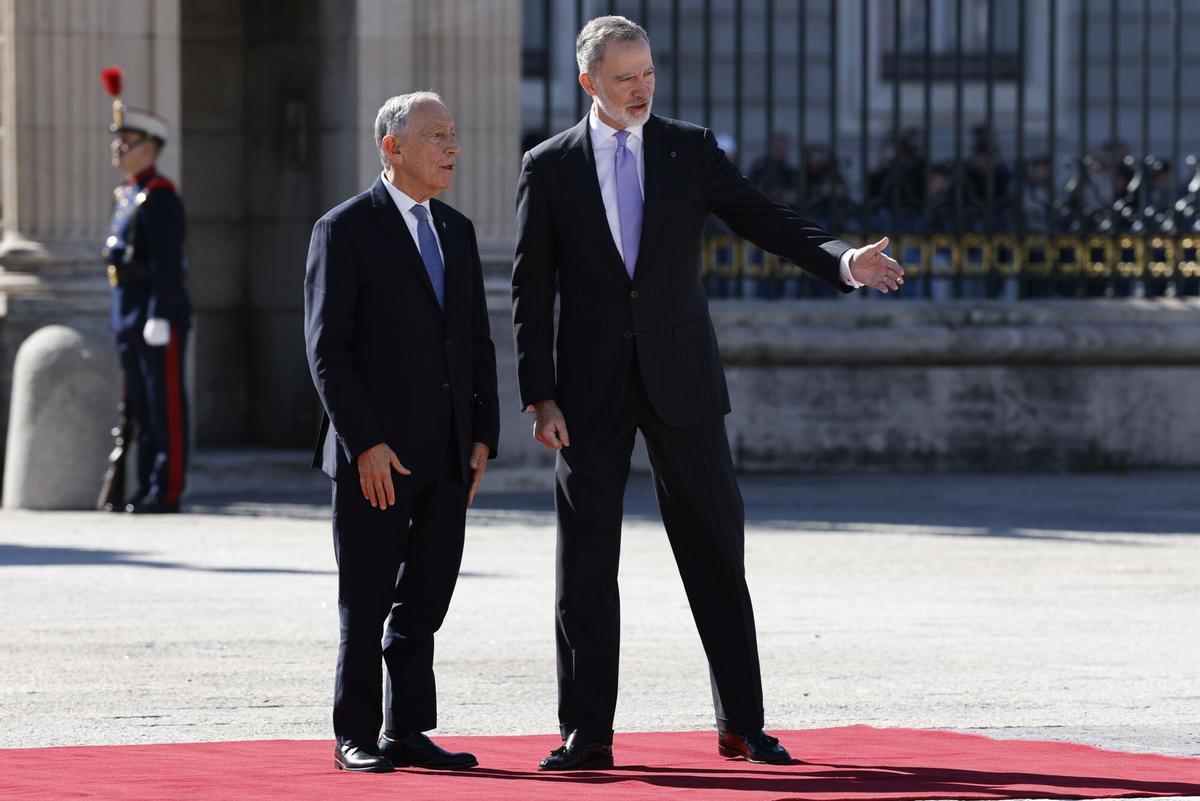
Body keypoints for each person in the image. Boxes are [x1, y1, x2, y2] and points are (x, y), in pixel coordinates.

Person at [511, 15, 903, 772]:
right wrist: (540, 396)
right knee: (585, 564)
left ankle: (742, 725)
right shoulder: (549, 165)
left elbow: (764, 218)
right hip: (587, 390)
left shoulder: (688, 148)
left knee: (717, 552)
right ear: (588, 82)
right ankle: (586, 732)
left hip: (683, 379)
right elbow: (532, 289)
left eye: (648, 74)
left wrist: (843, 260)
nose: (641, 89)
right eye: (625, 78)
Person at [303, 92, 499, 773]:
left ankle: (407, 729)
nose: (452, 147)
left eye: (453, 134)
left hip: (448, 451)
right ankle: (354, 732)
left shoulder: (457, 230)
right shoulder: (344, 229)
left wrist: (482, 433)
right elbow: (327, 351)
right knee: (365, 601)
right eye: (436, 135)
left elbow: (476, 340)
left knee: (425, 599)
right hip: (375, 457)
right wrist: (364, 442)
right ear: (392, 147)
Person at [100, 66, 190, 514]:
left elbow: (166, 262)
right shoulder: (126, 194)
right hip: (127, 310)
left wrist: (161, 311)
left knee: (163, 404)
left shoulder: (159, 194)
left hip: (155, 313)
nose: (118, 148)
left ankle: (166, 488)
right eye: (117, 141)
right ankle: (143, 485)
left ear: (149, 148)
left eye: (127, 142)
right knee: (137, 404)